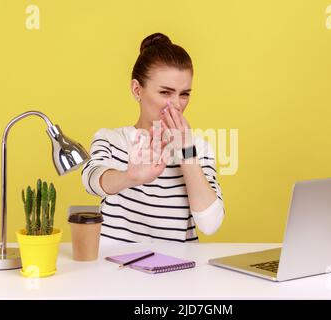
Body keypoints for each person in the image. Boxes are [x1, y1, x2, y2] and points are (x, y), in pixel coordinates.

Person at [81, 32, 225, 243]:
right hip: (113, 270)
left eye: (184, 94)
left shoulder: (198, 148)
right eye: (165, 92)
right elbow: (92, 181)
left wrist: (186, 153)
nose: (177, 104)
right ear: (137, 89)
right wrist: (130, 177)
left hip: (176, 270)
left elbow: (210, 224)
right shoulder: (111, 139)